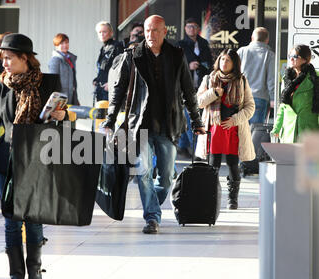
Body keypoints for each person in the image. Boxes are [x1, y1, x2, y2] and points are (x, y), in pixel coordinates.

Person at [0, 33, 65, 279]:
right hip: (7, 159)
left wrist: (61, 116)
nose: (5, 64)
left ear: (25, 58)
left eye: (9, 58)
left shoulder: (48, 83)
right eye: (3, 59)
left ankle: (35, 273)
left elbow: (61, 125)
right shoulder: (2, 85)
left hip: (37, 158)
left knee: (33, 218)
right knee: (11, 220)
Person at [102, 15, 205, 234]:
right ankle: (152, 217)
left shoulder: (177, 56)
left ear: (165, 31)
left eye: (155, 30)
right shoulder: (132, 55)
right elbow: (118, 91)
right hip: (140, 125)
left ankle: (153, 207)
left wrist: (196, 121)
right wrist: (110, 120)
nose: (150, 35)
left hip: (168, 126)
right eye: (147, 30)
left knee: (167, 176)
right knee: (144, 172)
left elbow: (188, 91)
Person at [194, 49, 255, 210]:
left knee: (233, 164)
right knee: (213, 165)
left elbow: (250, 106)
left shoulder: (241, 80)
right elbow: (198, 102)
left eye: (228, 60)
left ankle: (232, 200)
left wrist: (235, 120)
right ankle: (212, 198)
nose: (224, 63)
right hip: (213, 129)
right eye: (222, 60)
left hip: (233, 130)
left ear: (234, 63)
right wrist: (213, 93)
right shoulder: (209, 79)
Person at [177, 17, 214, 158]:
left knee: (194, 116)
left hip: (201, 85)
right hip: (186, 85)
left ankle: (183, 145)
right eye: (188, 26)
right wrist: (189, 66)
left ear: (198, 29)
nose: (191, 29)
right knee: (190, 116)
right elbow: (175, 64)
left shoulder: (204, 43)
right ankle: (196, 148)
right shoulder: (180, 44)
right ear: (185, 29)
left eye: (194, 26)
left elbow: (209, 63)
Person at [271, 44, 319, 142]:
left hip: (309, 130)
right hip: (289, 130)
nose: (291, 59)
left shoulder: (315, 78)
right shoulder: (287, 79)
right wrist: (276, 128)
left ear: (305, 59)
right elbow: (283, 106)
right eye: (290, 56)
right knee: (289, 157)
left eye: (295, 56)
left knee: (308, 157)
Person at [237, 27, 275, 124]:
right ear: (267, 40)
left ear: (252, 38)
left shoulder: (242, 51)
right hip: (260, 97)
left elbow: (234, 73)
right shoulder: (270, 55)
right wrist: (273, 98)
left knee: (240, 131)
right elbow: (271, 79)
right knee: (255, 133)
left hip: (241, 96)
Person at [93, 21, 124, 103]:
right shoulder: (103, 48)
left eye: (104, 32)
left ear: (111, 33)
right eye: (99, 32)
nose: (102, 34)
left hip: (110, 89)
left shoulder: (117, 46)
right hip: (101, 88)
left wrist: (111, 83)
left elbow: (121, 68)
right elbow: (103, 68)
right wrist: (97, 79)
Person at [48, 33, 80, 105]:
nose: (65, 45)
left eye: (66, 43)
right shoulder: (55, 60)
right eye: (61, 43)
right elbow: (53, 82)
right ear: (56, 45)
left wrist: (76, 99)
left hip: (71, 97)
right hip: (60, 99)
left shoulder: (70, 59)